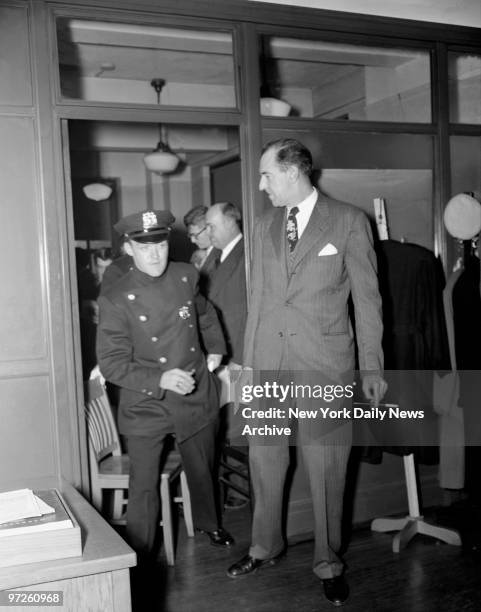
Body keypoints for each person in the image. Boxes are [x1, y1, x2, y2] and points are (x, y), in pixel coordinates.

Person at [227, 139, 387, 607]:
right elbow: (257, 300)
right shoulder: (262, 225)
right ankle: (264, 546)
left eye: (266, 175)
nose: (261, 185)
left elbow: (368, 303)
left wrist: (371, 369)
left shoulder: (349, 221)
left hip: (325, 367)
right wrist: (250, 370)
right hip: (270, 366)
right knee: (265, 461)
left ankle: (329, 562)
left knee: (327, 469)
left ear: (294, 173)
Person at [96, 209, 234, 564]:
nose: (155, 254)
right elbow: (111, 364)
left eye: (159, 244)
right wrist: (159, 378)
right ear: (129, 249)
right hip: (147, 402)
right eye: (144, 248)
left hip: (193, 390)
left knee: (202, 466)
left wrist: (216, 349)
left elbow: (205, 313)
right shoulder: (115, 297)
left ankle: (209, 523)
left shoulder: (187, 275)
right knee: (143, 484)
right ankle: (139, 556)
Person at [205, 202, 247, 366]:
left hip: (237, 354)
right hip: (216, 350)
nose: (208, 233)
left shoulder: (248, 253)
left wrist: (240, 358)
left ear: (230, 223)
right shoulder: (213, 254)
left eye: (211, 227)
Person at [184, 205, 220, 295]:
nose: (192, 240)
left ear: (208, 229)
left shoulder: (220, 255)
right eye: (190, 236)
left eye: (195, 235)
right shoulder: (201, 255)